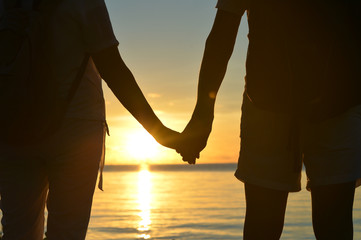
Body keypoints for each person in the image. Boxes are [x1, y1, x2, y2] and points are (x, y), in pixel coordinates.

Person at [177, 0, 361, 239]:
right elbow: (223, 33)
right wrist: (202, 114)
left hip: (286, 104)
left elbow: (222, 33)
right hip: (314, 104)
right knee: (330, 224)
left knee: (265, 223)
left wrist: (203, 114)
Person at [0, 0, 179, 239]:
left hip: (13, 127)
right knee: (67, 232)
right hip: (76, 132)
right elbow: (112, 68)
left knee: (17, 232)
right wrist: (161, 133)